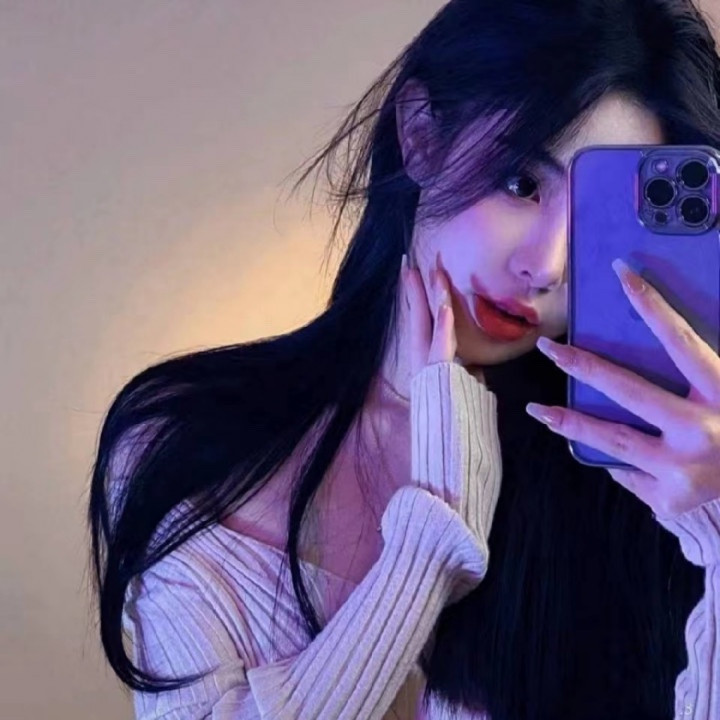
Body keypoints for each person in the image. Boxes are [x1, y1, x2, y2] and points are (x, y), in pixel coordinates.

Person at [87, 1, 720, 718]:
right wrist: (429, 546)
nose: (546, 266)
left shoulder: (648, 493)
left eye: (597, 226)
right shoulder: (182, 444)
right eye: (521, 182)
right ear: (420, 133)